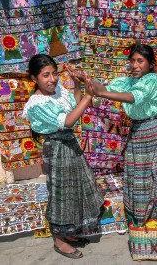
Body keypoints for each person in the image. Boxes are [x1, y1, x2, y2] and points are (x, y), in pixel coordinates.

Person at [67, 43, 157, 227]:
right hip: (136, 130)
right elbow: (101, 87)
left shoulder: (154, 80)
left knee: (149, 174)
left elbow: (134, 97)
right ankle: (139, 220)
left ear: (151, 64)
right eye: (132, 61)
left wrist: (105, 93)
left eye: (140, 61)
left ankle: (151, 219)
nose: (135, 65)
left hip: (151, 130)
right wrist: (84, 79)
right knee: (135, 174)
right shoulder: (128, 81)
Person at [22, 54, 104, 259]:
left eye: (54, 73)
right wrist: (88, 96)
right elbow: (68, 121)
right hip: (57, 149)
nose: (52, 79)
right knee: (61, 195)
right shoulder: (36, 103)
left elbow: (72, 108)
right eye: (45, 75)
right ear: (34, 79)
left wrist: (77, 86)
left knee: (77, 188)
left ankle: (70, 233)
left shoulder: (58, 91)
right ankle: (59, 240)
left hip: (70, 145)